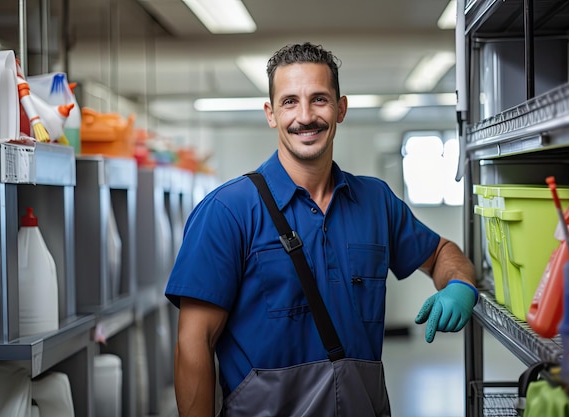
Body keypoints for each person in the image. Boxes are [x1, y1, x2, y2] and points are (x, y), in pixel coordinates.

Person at [165, 42, 478, 417]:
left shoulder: (375, 201)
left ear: (341, 108)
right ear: (271, 113)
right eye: (290, 102)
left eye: (319, 99)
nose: (305, 116)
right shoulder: (227, 211)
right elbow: (193, 343)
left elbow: (442, 252)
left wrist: (460, 285)